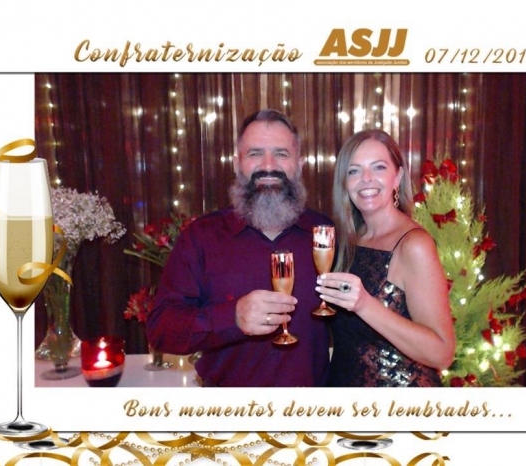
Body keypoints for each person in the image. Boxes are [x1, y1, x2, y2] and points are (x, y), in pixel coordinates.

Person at [146, 109, 332, 387]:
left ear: (299, 164)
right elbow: (161, 329)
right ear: (237, 164)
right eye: (255, 153)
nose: (268, 166)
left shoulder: (325, 233)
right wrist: (230, 317)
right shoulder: (201, 237)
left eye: (281, 154)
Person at [317, 129, 456, 387]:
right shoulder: (348, 241)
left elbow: (442, 353)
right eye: (354, 170)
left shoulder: (414, 244)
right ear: (344, 182)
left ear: (398, 177)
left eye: (378, 167)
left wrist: (364, 304)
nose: (366, 179)